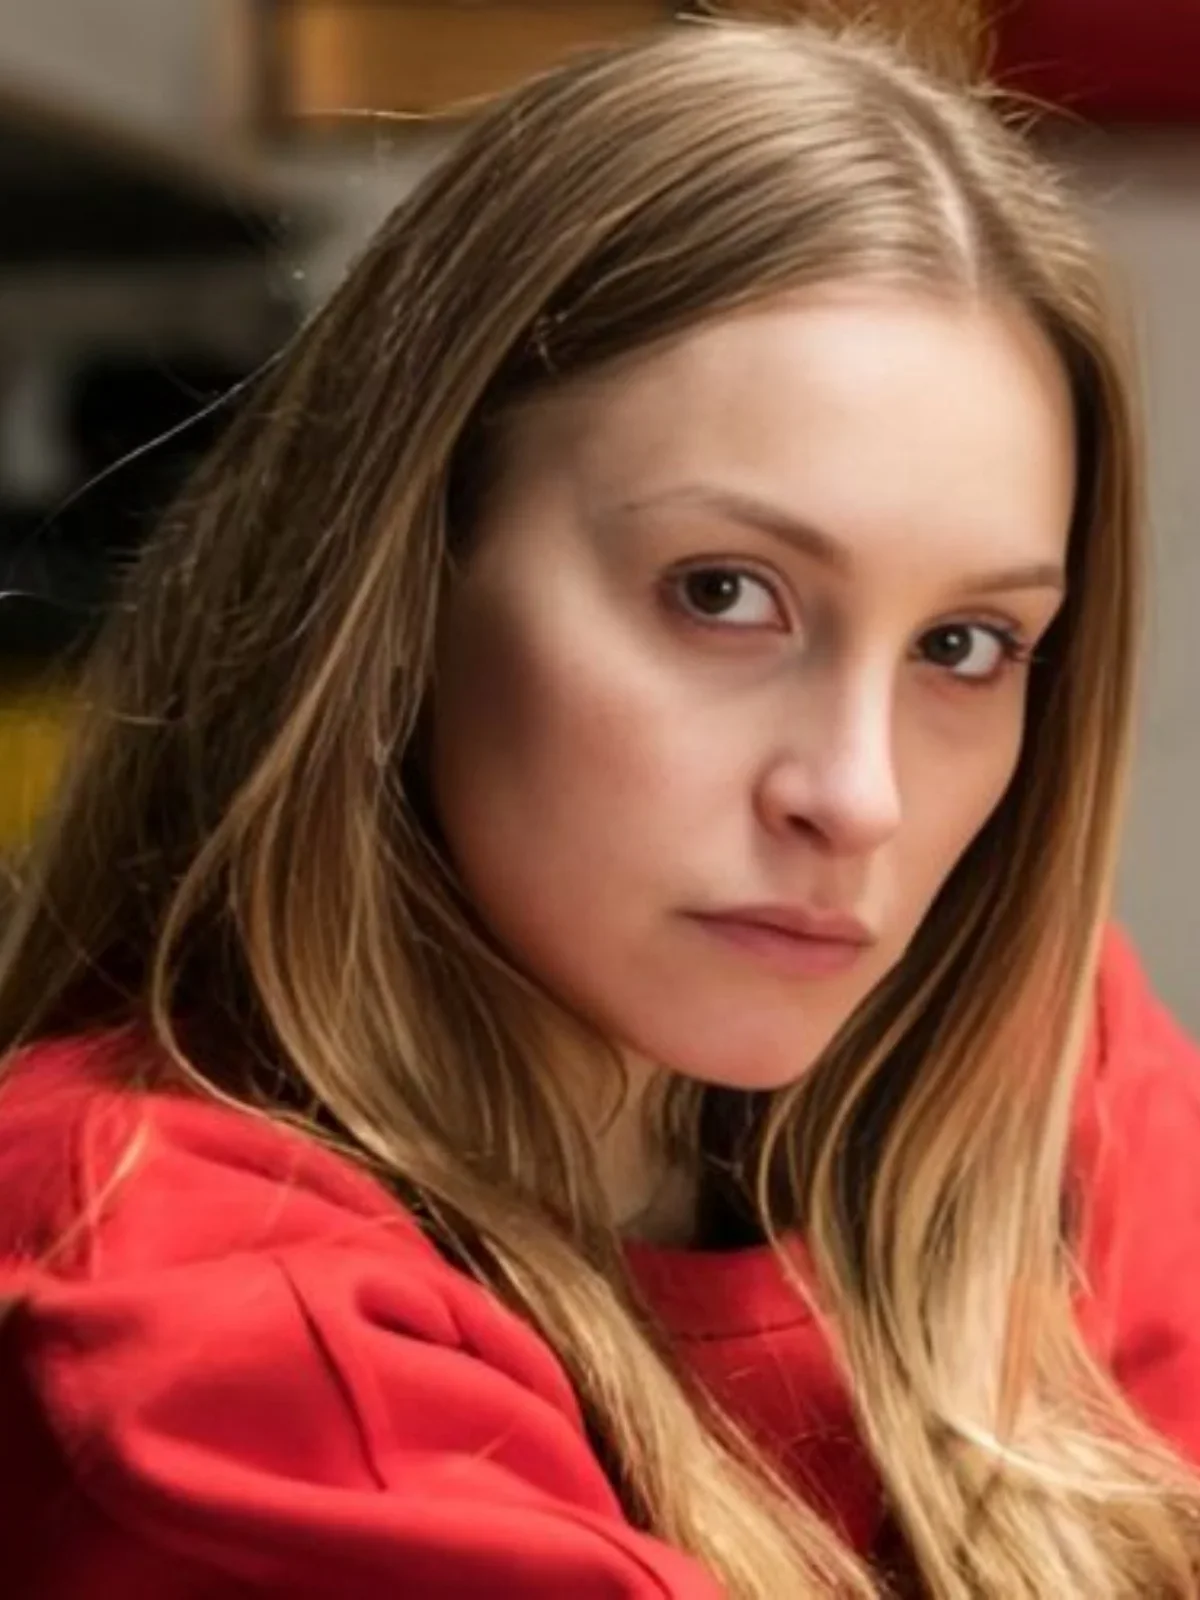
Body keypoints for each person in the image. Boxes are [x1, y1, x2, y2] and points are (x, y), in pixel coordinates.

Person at [1, 17, 1199, 1599]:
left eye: (964, 646)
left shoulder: (1044, 1072)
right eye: (722, 593)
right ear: (409, 576)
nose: (857, 797)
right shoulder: (166, 1284)